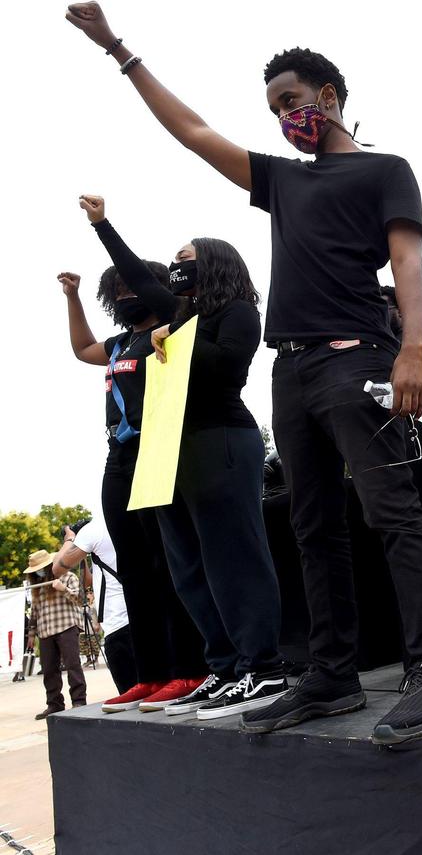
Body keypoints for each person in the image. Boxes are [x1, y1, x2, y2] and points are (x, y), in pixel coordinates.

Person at [66, 4, 422, 743]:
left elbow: (407, 260)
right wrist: (118, 49)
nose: (285, 116)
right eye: (274, 108)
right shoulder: (282, 180)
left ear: (330, 96)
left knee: (392, 511)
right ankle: (333, 675)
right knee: (314, 527)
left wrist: (413, 350)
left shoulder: (385, 170)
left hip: (360, 358)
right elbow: (194, 133)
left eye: (291, 101)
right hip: (292, 371)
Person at [79, 194, 287, 720]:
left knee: (231, 560)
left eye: (185, 260)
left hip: (219, 439)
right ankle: (223, 667)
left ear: (211, 264)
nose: (173, 270)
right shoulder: (179, 312)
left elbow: (227, 364)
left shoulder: (236, 312)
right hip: (167, 449)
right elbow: (136, 274)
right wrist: (104, 225)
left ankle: (262, 668)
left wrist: (180, 339)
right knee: (187, 567)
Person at [56, 262, 208, 713]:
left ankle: (191, 669)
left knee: (168, 564)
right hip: (117, 458)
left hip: (157, 449)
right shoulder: (120, 343)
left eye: (131, 286)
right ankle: (151, 675)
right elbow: (83, 347)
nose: (125, 296)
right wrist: (72, 297)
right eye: (116, 290)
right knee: (136, 571)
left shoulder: (173, 331)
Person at [53, 518, 136, 694]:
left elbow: (57, 568)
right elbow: (88, 581)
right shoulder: (119, 525)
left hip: (118, 625)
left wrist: (70, 538)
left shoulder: (93, 530)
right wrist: (84, 555)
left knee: (132, 697)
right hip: (135, 614)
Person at [25, 550, 87, 719]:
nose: (40, 572)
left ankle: (79, 701)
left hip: (66, 625)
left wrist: (63, 589)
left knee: (72, 665)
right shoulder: (37, 586)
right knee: (49, 669)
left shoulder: (68, 577)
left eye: (42, 568)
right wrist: (31, 633)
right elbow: (35, 611)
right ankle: (54, 704)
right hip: (45, 631)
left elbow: (82, 600)